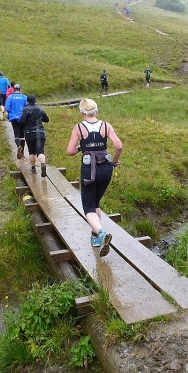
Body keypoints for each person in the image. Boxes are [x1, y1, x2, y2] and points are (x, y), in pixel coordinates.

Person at [66, 99, 123, 257]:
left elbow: (70, 151)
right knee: (95, 202)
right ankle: (95, 237)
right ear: (95, 111)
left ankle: (102, 233)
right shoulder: (106, 126)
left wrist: (81, 147)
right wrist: (115, 161)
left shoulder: (78, 128)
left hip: (89, 170)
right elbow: (119, 145)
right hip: (106, 168)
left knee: (88, 207)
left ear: (82, 112)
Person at [20, 94, 49, 176]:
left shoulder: (26, 109)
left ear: (27, 101)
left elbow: (22, 121)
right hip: (40, 132)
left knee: (31, 152)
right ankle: (43, 164)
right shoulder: (40, 109)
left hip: (29, 133)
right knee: (40, 151)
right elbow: (46, 119)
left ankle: (33, 168)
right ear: (35, 100)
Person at [5, 84, 27, 159]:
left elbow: (7, 108)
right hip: (23, 117)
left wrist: (11, 113)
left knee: (16, 134)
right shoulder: (24, 97)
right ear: (20, 89)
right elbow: (27, 107)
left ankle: (18, 146)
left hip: (14, 118)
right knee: (22, 135)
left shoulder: (10, 97)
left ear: (14, 89)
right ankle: (22, 152)